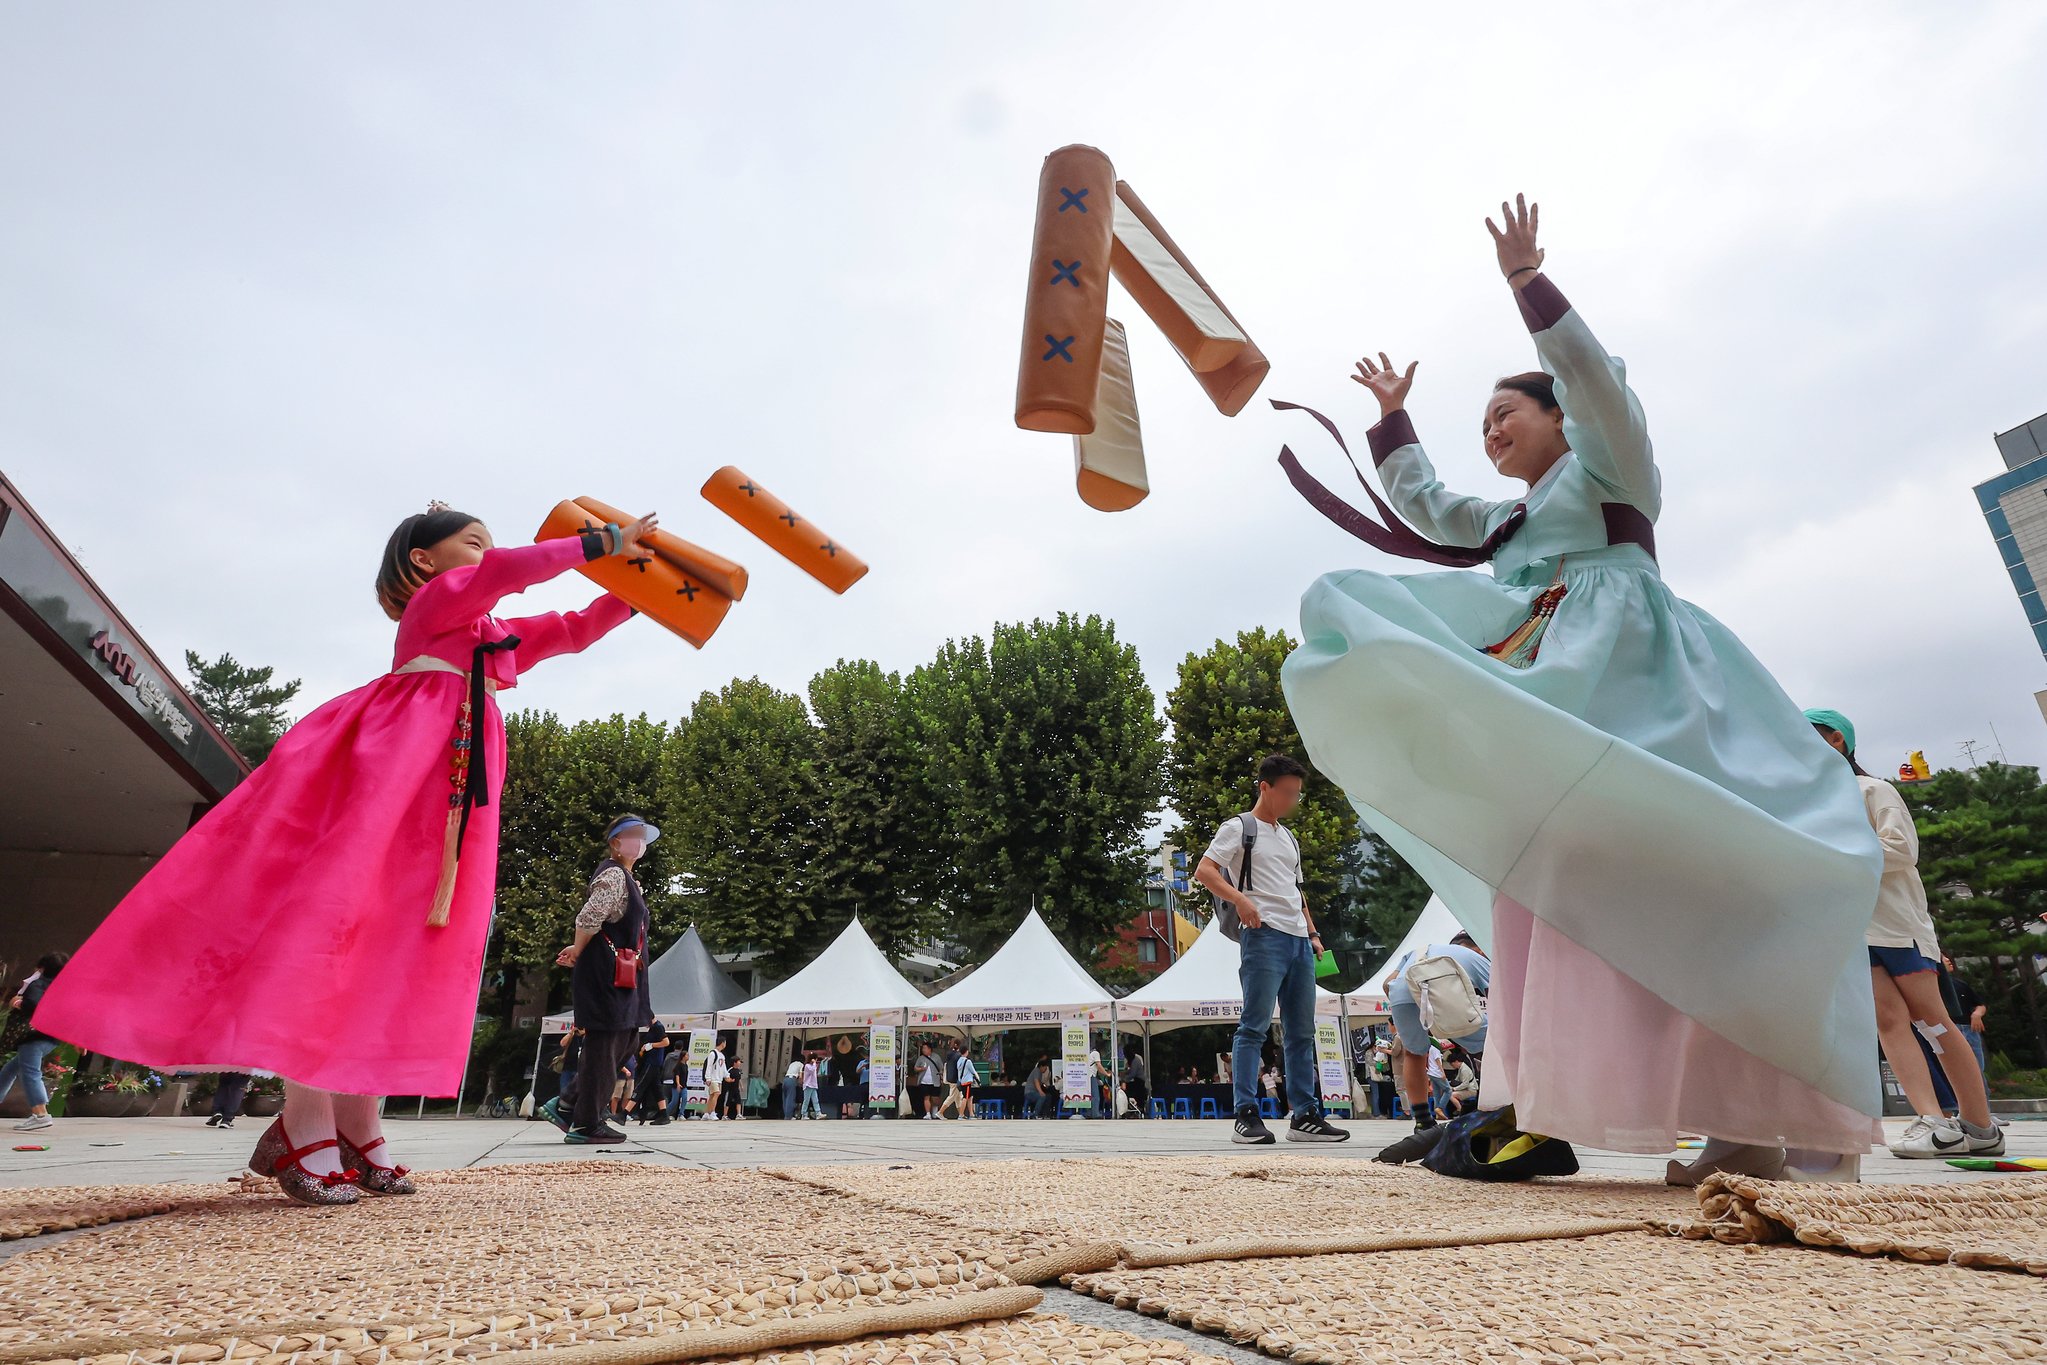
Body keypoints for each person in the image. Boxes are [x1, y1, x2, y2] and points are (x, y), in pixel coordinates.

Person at [1280, 195, 1882, 1180]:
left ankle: (1751, 1130)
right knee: (1563, 892)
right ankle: (1538, 1105)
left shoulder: (1608, 472)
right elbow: (1430, 505)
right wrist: (1391, 420)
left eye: (1502, 415)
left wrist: (1529, 285)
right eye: (1479, 426)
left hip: (1650, 694)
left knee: (1692, 880)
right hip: (1559, 697)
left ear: (1560, 417)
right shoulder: (1514, 523)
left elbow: (1598, 387)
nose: (1488, 434)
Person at [35, 504, 655, 1204]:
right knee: (333, 935)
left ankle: (358, 1125)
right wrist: (600, 543)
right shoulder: (436, 601)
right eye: (471, 542)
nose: (487, 552)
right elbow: (508, 573)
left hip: (442, 798)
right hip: (391, 772)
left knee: (393, 947)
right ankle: (307, 1123)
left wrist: (636, 597)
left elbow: (567, 630)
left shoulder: (484, 637)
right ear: (423, 560)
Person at [1805, 711, 2001, 1160]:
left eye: (1809, 736)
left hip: (1897, 925)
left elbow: (1901, 850)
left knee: (1931, 1019)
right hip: (1851, 928)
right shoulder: (1810, 802)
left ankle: (1980, 1125)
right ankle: (1932, 1120)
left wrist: (1830, 855)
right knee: (1888, 1022)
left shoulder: (1874, 790)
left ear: (1837, 741)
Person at [1193, 754, 1349, 1145]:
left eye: (1297, 793)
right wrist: (1241, 901)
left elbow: (1296, 890)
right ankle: (1246, 1114)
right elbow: (1204, 870)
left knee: (1301, 1032)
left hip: (1298, 940)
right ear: (1265, 787)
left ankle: (1306, 1115)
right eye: (1288, 792)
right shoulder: (1240, 828)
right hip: (1263, 936)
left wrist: (1313, 935)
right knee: (1254, 1026)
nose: (1294, 800)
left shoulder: (1288, 836)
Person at [556, 814, 660, 1146]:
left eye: (642, 835)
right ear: (615, 843)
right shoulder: (615, 875)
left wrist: (579, 947)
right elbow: (589, 917)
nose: (639, 841)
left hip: (620, 973)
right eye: (632, 835)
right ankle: (584, 1122)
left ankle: (570, 1102)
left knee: (626, 1038)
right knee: (606, 1042)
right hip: (608, 974)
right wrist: (578, 951)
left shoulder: (627, 878)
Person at [1375, 932, 1490, 1157]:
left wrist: (1420, 1015)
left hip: (1401, 991)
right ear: (1478, 948)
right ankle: (1493, 1109)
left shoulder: (1418, 951)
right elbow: (1503, 997)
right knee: (1493, 1045)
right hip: (1444, 993)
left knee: (1414, 1053)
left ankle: (1423, 1122)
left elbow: (1387, 983)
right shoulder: (1478, 958)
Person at [0, 953, 67, 1133]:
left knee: (30, 1072)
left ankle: (40, 1114)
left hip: (33, 1037)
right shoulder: (64, 987)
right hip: (50, 1038)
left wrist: (18, 1002)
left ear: (42, 968)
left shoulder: (37, 984)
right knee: (11, 1068)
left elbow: (34, 1006)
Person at [1943, 953, 1994, 1108]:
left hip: (1969, 1029)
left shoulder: (1960, 984)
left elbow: (1980, 1004)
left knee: (1977, 1070)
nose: (1948, 960)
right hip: (1950, 1030)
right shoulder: (1932, 987)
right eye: (1943, 959)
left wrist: (1977, 1014)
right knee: (1954, 1071)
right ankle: (1958, 1110)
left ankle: (1985, 1113)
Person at [633, 1021, 672, 1126]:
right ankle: (663, 1114)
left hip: (653, 1062)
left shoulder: (658, 1027)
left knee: (640, 1086)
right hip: (651, 1061)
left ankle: (624, 1113)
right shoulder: (653, 1028)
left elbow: (666, 1042)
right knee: (657, 1089)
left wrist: (651, 1045)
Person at [913, 1042, 943, 1119]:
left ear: (930, 1049)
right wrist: (921, 1069)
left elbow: (941, 1068)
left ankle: (935, 1112)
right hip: (924, 1081)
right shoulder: (921, 1058)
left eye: (925, 1048)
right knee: (926, 1097)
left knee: (935, 1098)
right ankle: (928, 1113)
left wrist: (941, 1077)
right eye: (923, 1048)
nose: (923, 1050)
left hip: (935, 1081)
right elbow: (915, 1068)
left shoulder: (936, 1057)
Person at [719, 1053, 745, 1121]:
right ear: (735, 1062)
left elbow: (739, 1079)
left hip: (736, 1089)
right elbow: (725, 1078)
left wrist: (741, 1086)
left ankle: (738, 1114)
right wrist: (730, 1081)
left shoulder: (738, 1070)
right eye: (739, 1062)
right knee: (728, 1101)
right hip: (730, 1089)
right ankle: (724, 1115)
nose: (740, 1063)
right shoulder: (730, 1070)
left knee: (738, 1101)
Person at [1124, 1046, 1149, 1116]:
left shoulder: (1135, 1060)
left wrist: (1124, 1079)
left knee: (1130, 1090)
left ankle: (1135, 1107)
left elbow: (1133, 1073)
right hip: (1136, 1080)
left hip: (1139, 1081)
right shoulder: (1132, 1060)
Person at [800, 1051, 823, 1119]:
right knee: (806, 1100)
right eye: (815, 1059)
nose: (816, 1060)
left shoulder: (813, 1066)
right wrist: (814, 1063)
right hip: (808, 1085)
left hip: (813, 1085)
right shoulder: (807, 1066)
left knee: (815, 1100)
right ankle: (803, 1114)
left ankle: (818, 1113)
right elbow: (812, 1070)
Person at [782, 1055, 802, 1120]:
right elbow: (800, 1076)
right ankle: (789, 1116)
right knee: (790, 1098)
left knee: (785, 1098)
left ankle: (786, 1115)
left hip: (785, 1079)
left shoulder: (791, 1064)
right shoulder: (801, 1064)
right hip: (792, 1080)